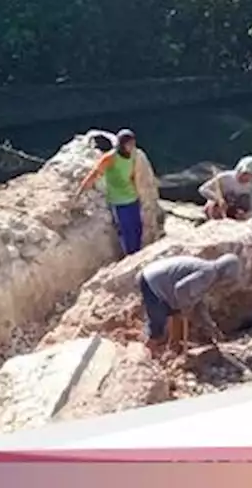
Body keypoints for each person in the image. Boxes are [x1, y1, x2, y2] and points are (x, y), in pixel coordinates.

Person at [137, 253, 242, 355]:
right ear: (224, 275)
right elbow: (181, 289)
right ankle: (145, 354)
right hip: (152, 283)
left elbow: (198, 304)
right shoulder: (208, 274)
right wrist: (185, 307)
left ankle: (173, 348)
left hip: (159, 281)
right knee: (158, 322)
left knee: (177, 313)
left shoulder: (208, 272)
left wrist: (210, 326)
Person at [74, 128, 148, 256]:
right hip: (118, 201)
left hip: (132, 198)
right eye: (128, 144)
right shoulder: (110, 157)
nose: (131, 147)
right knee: (126, 231)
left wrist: (138, 192)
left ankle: (138, 255)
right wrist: (80, 191)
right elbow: (95, 174)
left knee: (137, 228)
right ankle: (130, 257)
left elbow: (132, 174)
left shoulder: (133, 155)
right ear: (121, 144)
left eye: (133, 144)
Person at [198, 156, 252, 220]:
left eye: (251, 176)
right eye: (245, 174)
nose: (246, 178)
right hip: (216, 209)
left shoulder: (249, 188)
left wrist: (245, 215)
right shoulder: (225, 177)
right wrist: (218, 198)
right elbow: (203, 189)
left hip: (234, 213)